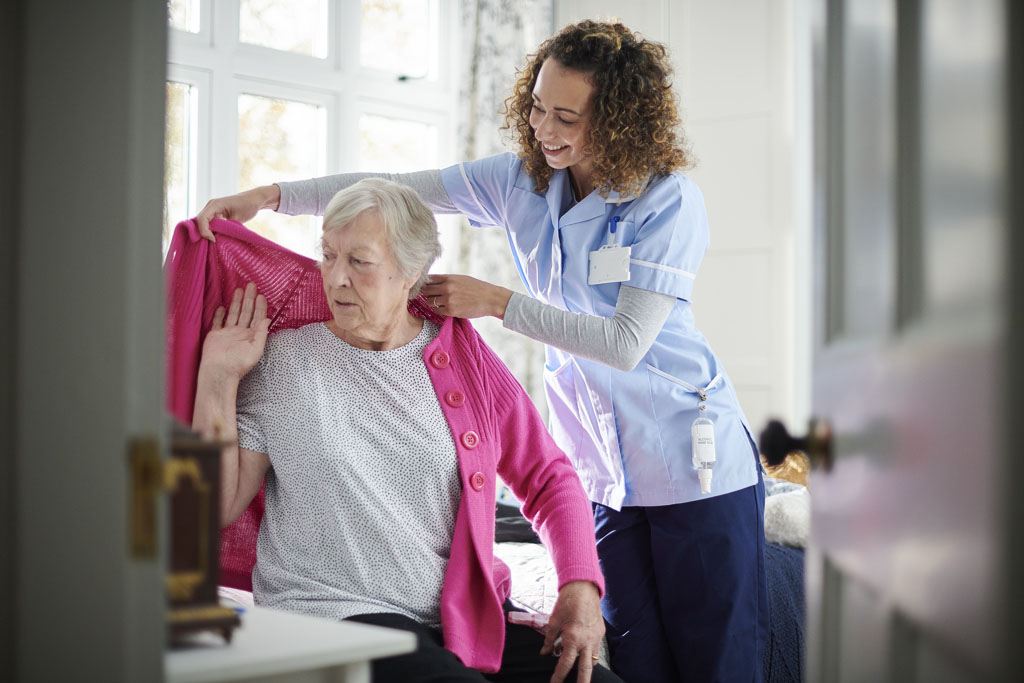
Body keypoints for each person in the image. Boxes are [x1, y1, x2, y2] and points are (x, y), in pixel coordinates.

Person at [196, 20, 769, 683]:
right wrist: (270, 196)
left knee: (716, 664)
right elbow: (394, 185)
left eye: (566, 117)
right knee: (638, 661)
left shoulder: (666, 200)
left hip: (690, 459)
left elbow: (624, 344)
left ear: (615, 120)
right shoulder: (520, 181)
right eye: (536, 106)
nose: (544, 128)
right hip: (606, 471)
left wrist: (496, 301)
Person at [190, 179, 622, 683]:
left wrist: (579, 587)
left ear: (411, 271)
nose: (336, 278)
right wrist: (217, 378)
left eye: (360, 261)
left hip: (457, 622)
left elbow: (548, 474)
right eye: (328, 255)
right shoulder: (284, 361)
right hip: (334, 614)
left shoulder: (463, 357)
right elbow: (215, 505)